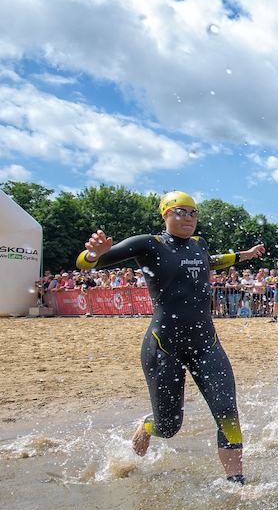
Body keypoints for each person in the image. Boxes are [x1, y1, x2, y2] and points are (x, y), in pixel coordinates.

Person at [77, 191, 265, 483]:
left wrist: (244, 256)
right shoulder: (149, 244)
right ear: (165, 214)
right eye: (179, 211)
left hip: (206, 344)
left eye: (192, 212)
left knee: (227, 410)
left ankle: (236, 482)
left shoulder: (199, 245)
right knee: (168, 426)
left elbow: (211, 260)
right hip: (164, 347)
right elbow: (89, 264)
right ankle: (147, 426)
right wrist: (93, 253)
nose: (187, 217)